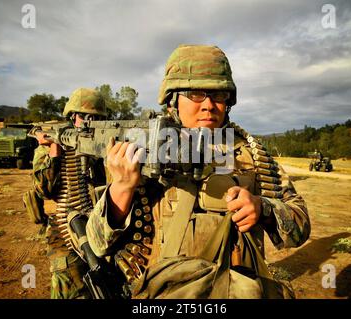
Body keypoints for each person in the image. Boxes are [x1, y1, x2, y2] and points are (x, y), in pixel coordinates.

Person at [86, 44, 311, 298]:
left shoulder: (250, 154)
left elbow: (300, 226)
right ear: (173, 99)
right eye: (195, 93)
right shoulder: (142, 150)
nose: (209, 105)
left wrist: (263, 208)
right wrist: (122, 188)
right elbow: (98, 244)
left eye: (219, 95)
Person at [32, 87, 107, 299]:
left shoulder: (102, 145)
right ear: (72, 116)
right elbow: (44, 190)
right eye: (83, 116)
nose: (88, 121)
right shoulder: (47, 149)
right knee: (71, 290)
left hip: (98, 227)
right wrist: (55, 153)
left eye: (96, 117)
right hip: (63, 232)